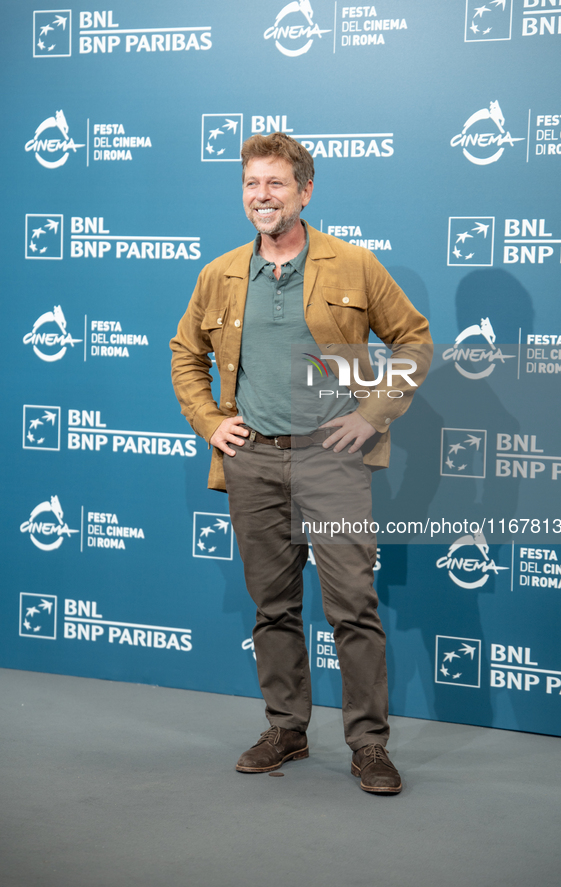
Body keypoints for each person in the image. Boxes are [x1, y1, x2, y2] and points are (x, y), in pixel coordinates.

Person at [170, 133, 431, 793]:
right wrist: (209, 420)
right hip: (252, 461)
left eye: (276, 183)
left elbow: (414, 339)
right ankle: (286, 728)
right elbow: (184, 352)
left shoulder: (352, 264)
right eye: (252, 184)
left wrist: (370, 416)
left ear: (304, 191)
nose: (262, 196)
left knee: (352, 606)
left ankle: (368, 744)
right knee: (273, 607)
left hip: (331, 460)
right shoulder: (222, 272)